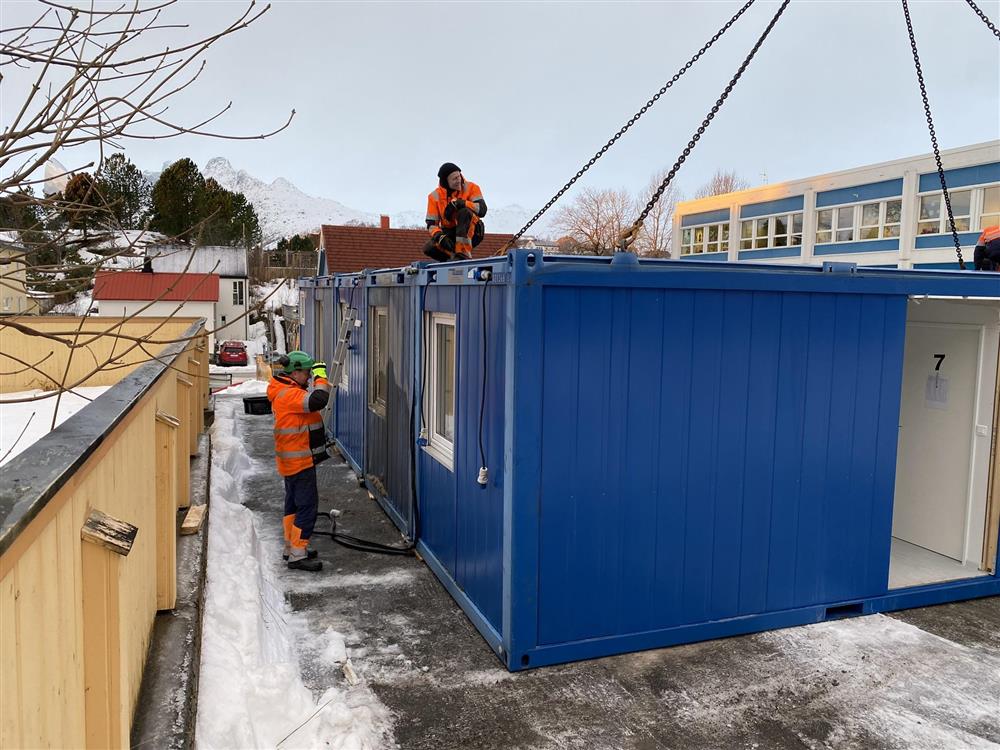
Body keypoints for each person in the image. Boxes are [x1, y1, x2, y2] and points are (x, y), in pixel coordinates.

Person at [267, 350, 330, 571]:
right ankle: (298, 554)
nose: (309, 377)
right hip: (299, 461)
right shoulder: (289, 395)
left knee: (293, 504)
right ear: (294, 372)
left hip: (292, 461)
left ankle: (291, 546)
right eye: (307, 373)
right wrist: (322, 375)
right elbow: (318, 400)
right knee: (307, 507)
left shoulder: (285, 389)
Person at [424, 162, 488, 262]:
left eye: (459, 176)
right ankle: (453, 258)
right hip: (451, 233)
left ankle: (463, 253)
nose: (459, 180)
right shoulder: (434, 196)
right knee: (429, 248)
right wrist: (439, 236)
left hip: (474, 231)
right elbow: (431, 224)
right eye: (454, 179)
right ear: (446, 182)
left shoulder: (471, 187)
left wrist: (462, 203)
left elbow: (482, 210)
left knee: (464, 212)